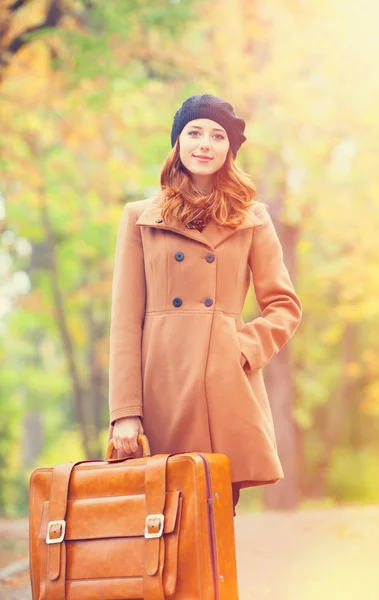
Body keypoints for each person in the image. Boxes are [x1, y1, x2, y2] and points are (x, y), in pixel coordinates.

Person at [107, 93, 302, 516]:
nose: (204, 144)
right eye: (194, 132)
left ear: (229, 150)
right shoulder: (141, 218)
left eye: (217, 136)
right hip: (161, 389)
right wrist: (125, 412)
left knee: (212, 529)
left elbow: (284, 306)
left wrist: (243, 350)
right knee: (160, 529)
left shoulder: (252, 218)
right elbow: (125, 322)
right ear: (177, 142)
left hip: (223, 389)